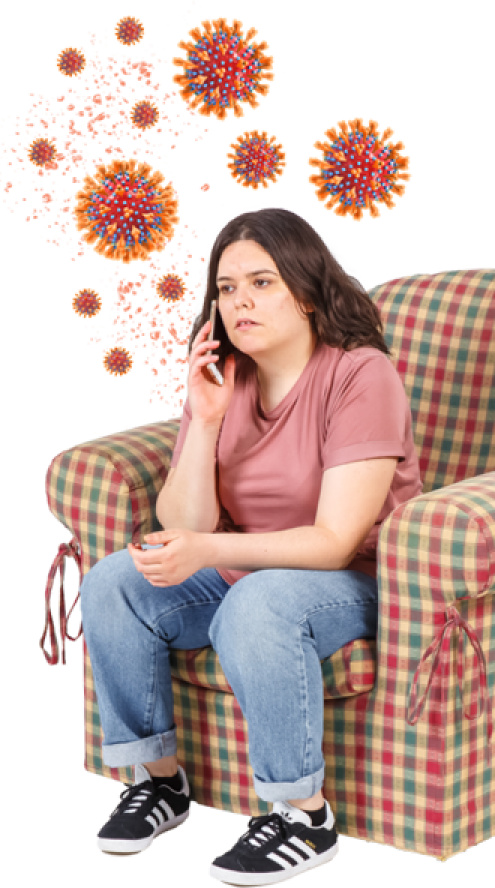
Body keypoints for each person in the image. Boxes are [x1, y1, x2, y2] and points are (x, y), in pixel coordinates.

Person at [80, 205, 422, 885]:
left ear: (304, 289)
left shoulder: (360, 375)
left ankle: (302, 816)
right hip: (247, 570)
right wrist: (202, 421)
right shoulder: (226, 380)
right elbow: (182, 519)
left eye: (261, 283)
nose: (240, 301)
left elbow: (333, 542)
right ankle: (160, 781)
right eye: (227, 288)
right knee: (115, 581)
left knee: (258, 604)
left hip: (353, 579)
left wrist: (208, 551)